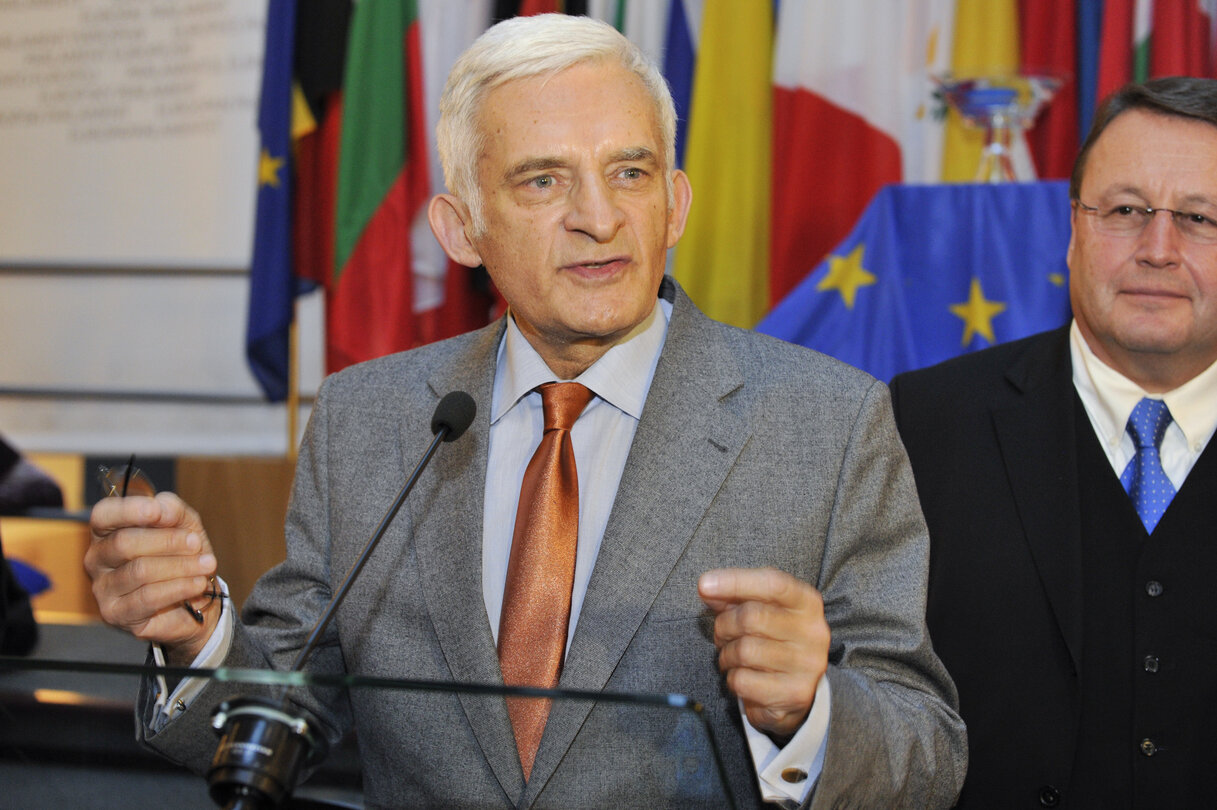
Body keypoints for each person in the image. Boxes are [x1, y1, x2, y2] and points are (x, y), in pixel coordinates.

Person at [86, 15, 964, 808]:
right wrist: (195, 636)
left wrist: (810, 711)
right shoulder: (370, 419)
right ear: (461, 229)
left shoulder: (827, 423)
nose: (598, 217)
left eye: (630, 171)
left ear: (676, 206)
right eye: (543, 181)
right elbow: (279, 717)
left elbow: (925, 754)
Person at [890, 76, 1217, 809]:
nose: (1157, 249)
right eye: (1126, 210)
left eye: (1199, 218)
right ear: (1072, 228)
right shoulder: (920, 424)